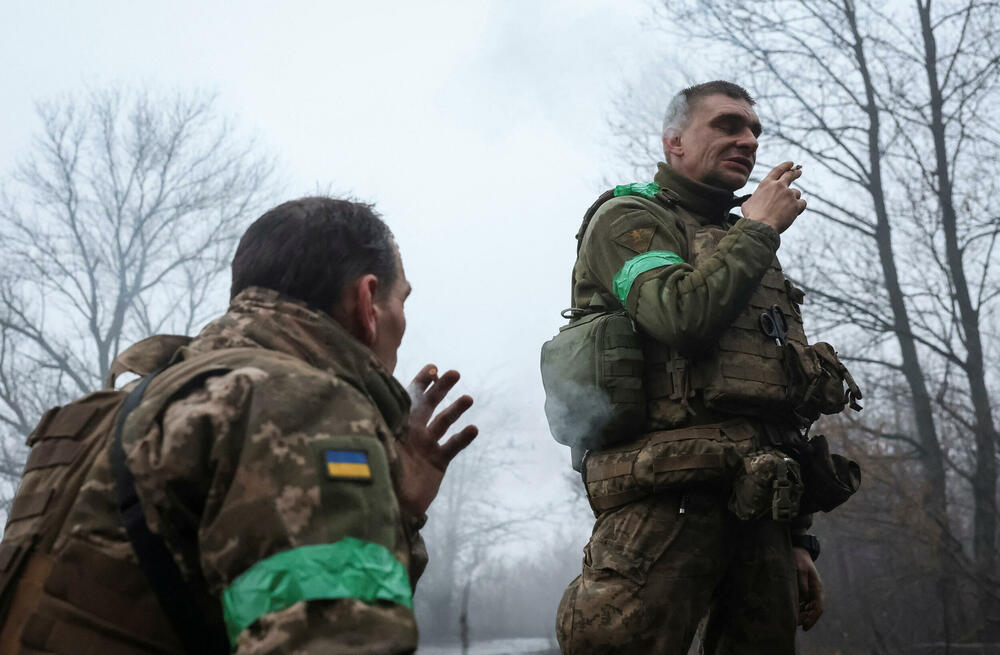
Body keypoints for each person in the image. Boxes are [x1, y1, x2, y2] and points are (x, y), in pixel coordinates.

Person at [0, 197, 477, 654]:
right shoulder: (300, 404)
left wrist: (398, 507)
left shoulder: (104, 413)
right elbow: (336, 639)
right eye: (402, 300)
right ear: (368, 301)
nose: (404, 320)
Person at [554, 81, 852, 654]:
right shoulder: (629, 219)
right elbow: (679, 316)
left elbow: (773, 397)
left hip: (760, 506)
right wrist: (758, 230)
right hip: (662, 509)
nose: (747, 140)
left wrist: (796, 538)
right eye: (727, 125)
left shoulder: (745, 244)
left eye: (755, 131)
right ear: (675, 144)